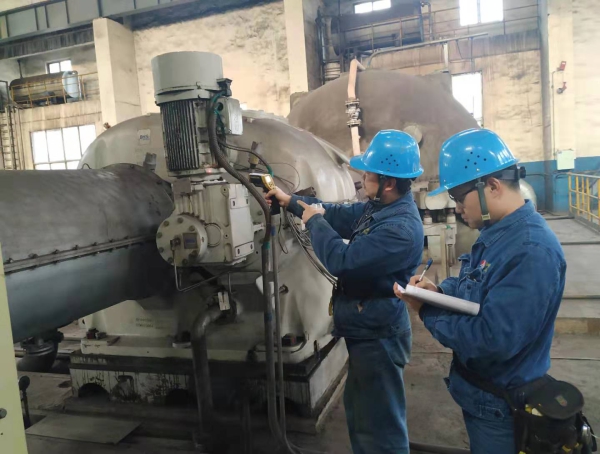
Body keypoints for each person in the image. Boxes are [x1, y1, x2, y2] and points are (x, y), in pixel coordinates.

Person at [395, 128, 566, 454]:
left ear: (492, 186)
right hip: (482, 398)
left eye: (460, 197)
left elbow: (491, 341)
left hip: (501, 408)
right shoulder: (497, 233)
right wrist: (437, 291)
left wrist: (427, 311)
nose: (457, 207)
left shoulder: (531, 251)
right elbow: (473, 286)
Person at [266, 130, 424, 454]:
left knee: (381, 426)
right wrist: (291, 201)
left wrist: (314, 222)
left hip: (379, 335)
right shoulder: (380, 208)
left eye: (368, 174)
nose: (362, 178)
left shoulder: (399, 229)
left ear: (388, 182)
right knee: (363, 416)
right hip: (365, 329)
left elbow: (342, 260)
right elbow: (337, 214)